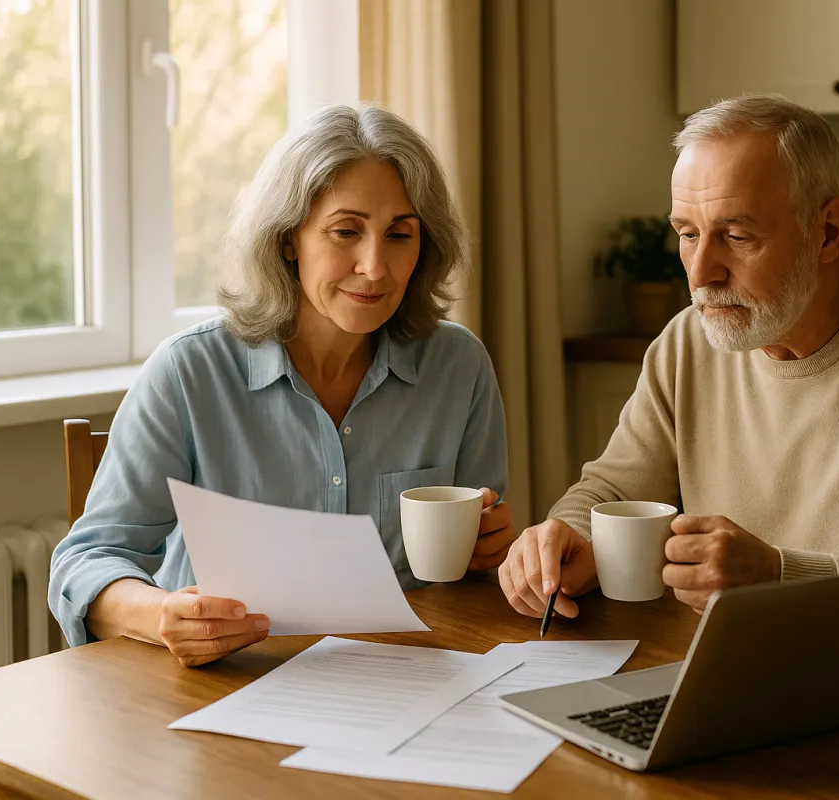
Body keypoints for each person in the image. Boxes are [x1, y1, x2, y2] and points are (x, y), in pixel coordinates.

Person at [499, 94, 839, 654]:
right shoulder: (686, 343)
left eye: (737, 237)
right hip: (733, 679)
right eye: (687, 234)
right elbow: (613, 491)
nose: (701, 272)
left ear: (828, 231)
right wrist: (566, 538)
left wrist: (780, 577)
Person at [50, 105, 516, 666]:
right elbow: (86, 561)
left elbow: (470, 576)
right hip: (225, 683)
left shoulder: (459, 366)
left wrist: (487, 549)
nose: (374, 266)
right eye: (346, 231)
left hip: (405, 678)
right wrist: (161, 615)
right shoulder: (188, 372)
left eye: (399, 235)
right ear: (289, 237)